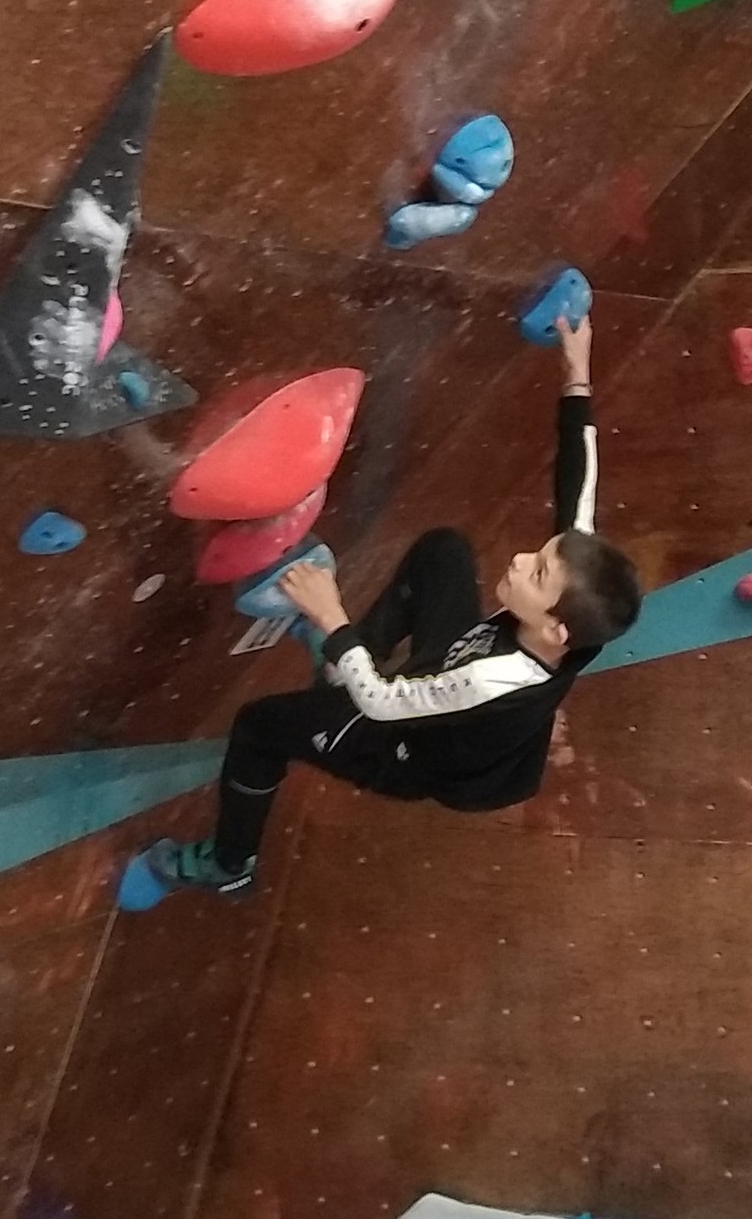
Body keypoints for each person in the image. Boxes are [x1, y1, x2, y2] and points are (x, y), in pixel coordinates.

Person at [138, 313, 643, 897]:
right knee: (443, 552)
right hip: (450, 672)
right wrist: (576, 373)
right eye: (541, 553)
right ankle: (342, 669)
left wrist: (332, 618)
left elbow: (383, 704)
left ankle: (230, 864)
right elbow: (578, 490)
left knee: (259, 726)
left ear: (556, 631)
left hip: (406, 745)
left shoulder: (495, 680)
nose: (520, 558)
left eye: (537, 573)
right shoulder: (576, 614)